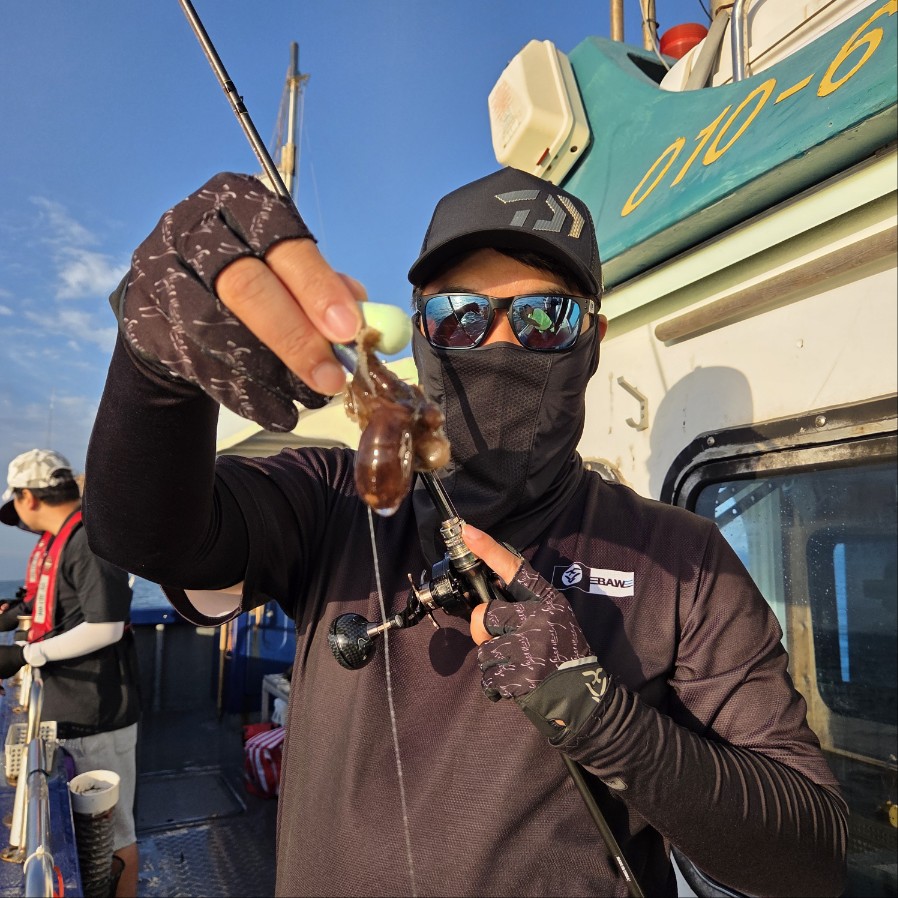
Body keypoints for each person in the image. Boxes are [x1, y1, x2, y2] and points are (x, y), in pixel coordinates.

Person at [83, 168, 847, 897]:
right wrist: (156, 373)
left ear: (593, 339)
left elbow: (809, 860)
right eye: (460, 316)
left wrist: (606, 721)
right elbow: (144, 536)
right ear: (421, 331)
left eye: (547, 316)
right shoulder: (332, 497)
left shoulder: (683, 559)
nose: (502, 343)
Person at [0, 449, 141, 898]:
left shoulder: (90, 541)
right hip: (70, 710)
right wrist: (13, 617)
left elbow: (106, 627)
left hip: (98, 716)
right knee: (88, 842)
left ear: (28, 497)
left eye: (16, 504)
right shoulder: (65, 541)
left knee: (114, 838)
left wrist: (25, 655)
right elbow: (59, 607)